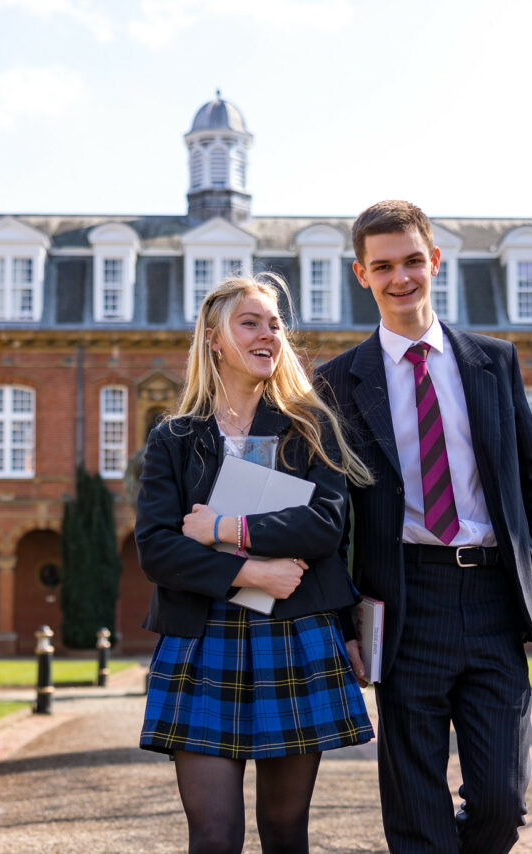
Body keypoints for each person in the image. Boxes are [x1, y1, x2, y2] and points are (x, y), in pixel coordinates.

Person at [315, 200, 532, 854]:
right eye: (383, 266)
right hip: (405, 602)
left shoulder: (493, 362)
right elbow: (324, 523)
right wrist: (339, 625)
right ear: (362, 274)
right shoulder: (337, 383)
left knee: (501, 803)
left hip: (496, 598)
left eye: (412, 260)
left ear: (435, 260)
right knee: (415, 810)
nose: (400, 277)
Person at [135, 272, 375, 854]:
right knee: (214, 836)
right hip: (202, 639)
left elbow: (324, 525)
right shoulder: (174, 437)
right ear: (214, 339)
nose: (268, 333)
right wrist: (251, 571)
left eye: (274, 324)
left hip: (294, 636)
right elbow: (157, 548)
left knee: (286, 832)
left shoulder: (310, 428)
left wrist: (223, 530)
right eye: (250, 323)